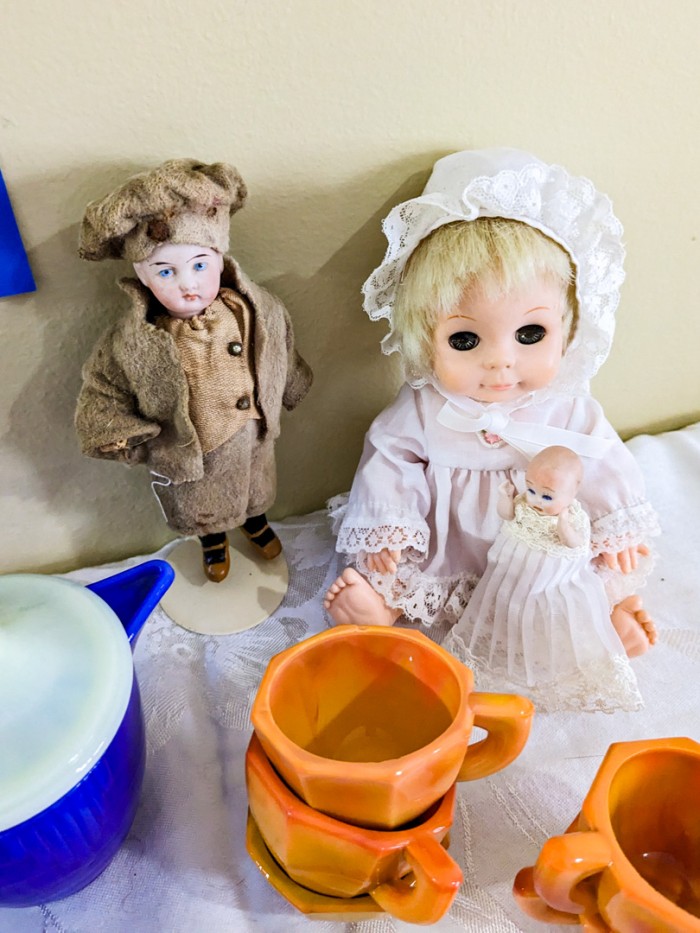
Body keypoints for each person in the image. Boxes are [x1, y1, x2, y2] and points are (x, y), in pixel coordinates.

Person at [325, 148, 658, 664]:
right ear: (424, 340)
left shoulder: (567, 407)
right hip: (452, 544)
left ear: (568, 329)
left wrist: (618, 529)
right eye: (465, 340)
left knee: (591, 569)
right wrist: (389, 528)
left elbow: (602, 460)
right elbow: (390, 460)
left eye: (530, 333)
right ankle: (383, 610)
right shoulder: (423, 407)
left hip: (542, 543)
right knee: (391, 566)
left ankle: (611, 615)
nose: (501, 363)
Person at [75, 159, 312, 582]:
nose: (187, 284)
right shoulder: (134, 341)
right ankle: (213, 541)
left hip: (252, 434)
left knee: (257, 487)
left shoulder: (254, 308)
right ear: (144, 279)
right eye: (166, 271)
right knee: (203, 503)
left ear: (220, 260)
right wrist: (124, 436)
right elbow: (104, 387)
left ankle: (256, 523)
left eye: (200, 265)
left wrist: (288, 383)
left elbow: (278, 343)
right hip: (194, 448)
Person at [450, 446, 645, 711]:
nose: (537, 500)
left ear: (572, 494)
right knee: (504, 602)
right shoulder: (525, 504)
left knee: (547, 614)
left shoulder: (574, 516)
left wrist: (563, 525)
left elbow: (575, 544)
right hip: (511, 570)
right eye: (531, 490)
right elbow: (507, 514)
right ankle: (505, 639)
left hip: (549, 578)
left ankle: (562, 652)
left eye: (547, 496)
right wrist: (505, 497)